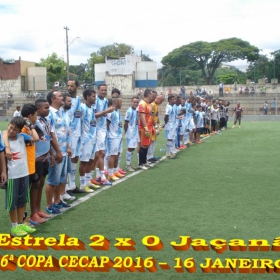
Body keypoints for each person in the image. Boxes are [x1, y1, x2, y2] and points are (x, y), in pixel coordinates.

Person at [4, 117, 38, 236]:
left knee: (22, 201)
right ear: (8, 124)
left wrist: (31, 127)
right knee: (12, 202)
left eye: (14, 129)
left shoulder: (22, 137)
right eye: (10, 127)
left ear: (19, 131)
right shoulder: (4, 138)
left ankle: (21, 223)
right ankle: (14, 227)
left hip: (24, 173)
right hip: (12, 176)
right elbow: (4, 133)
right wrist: (7, 147)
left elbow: (36, 138)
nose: (11, 130)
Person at [45, 91, 71, 215]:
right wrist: (58, 151)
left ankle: (57, 200)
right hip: (56, 152)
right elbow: (51, 134)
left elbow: (63, 131)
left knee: (61, 178)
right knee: (52, 180)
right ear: (53, 99)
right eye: (60, 96)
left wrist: (68, 147)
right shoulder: (50, 113)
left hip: (64, 150)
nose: (63, 98)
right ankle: (49, 205)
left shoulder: (60, 112)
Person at [31, 99, 54, 223]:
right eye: (45, 108)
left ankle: (38, 209)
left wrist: (51, 154)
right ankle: (33, 212)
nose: (48, 110)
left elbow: (47, 138)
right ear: (38, 109)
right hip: (37, 158)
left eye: (48, 107)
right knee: (35, 184)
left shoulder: (46, 120)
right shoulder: (34, 122)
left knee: (41, 183)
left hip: (45, 157)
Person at [79, 89, 100, 192]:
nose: (95, 98)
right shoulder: (82, 108)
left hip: (93, 138)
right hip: (85, 139)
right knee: (84, 162)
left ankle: (88, 181)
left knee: (91, 160)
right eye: (93, 96)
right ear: (87, 97)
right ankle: (82, 184)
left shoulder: (92, 108)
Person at [94, 84, 115, 185]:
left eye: (105, 90)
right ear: (98, 90)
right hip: (95, 130)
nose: (103, 92)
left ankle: (99, 175)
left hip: (103, 130)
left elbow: (104, 115)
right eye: (102, 90)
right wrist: (106, 111)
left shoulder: (106, 101)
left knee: (101, 153)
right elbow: (93, 115)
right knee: (100, 153)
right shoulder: (95, 100)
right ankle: (101, 176)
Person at [66, 79, 83, 194]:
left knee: (75, 158)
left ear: (77, 86)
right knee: (69, 158)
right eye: (68, 86)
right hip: (69, 133)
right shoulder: (66, 101)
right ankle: (67, 187)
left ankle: (72, 185)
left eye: (71, 86)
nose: (69, 88)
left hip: (78, 133)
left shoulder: (78, 100)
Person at [107, 97, 125, 181]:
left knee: (117, 155)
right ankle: (110, 173)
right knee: (113, 155)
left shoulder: (118, 112)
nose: (122, 104)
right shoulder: (111, 112)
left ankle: (115, 171)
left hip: (118, 136)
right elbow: (107, 124)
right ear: (116, 102)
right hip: (112, 137)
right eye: (120, 102)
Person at [138, 89, 154, 169]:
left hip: (149, 127)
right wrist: (146, 128)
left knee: (147, 145)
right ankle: (141, 163)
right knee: (143, 145)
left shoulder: (148, 104)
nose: (152, 95)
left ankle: (144, 161)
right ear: (148, 94)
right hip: (144, 128)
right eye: (151, 94)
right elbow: (142, 117)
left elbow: (150, 116)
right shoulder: (142, 104)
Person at [124, 96, 140, 171]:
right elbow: (126, 123)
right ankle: (127, 165)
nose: (136, 103)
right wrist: (126, 132)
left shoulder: (136, 110)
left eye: (137, 102)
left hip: (135, 132)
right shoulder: (129, 111)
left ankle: (129, 164)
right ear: (131, 102)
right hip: (131, 133)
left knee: (133, 148)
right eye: (134, 102)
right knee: (130, 148)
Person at [164, 94, 177, 159]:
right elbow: (166, 116)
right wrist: (166, 123)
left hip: (173, 125)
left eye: (175, 99)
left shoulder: (172, 106)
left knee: (173, 138)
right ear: (169, 100)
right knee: (169, 139)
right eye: (173, 99)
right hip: (169, 126)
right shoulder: (168, 107)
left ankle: (171, 151)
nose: (175, 100)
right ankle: (168, 153)